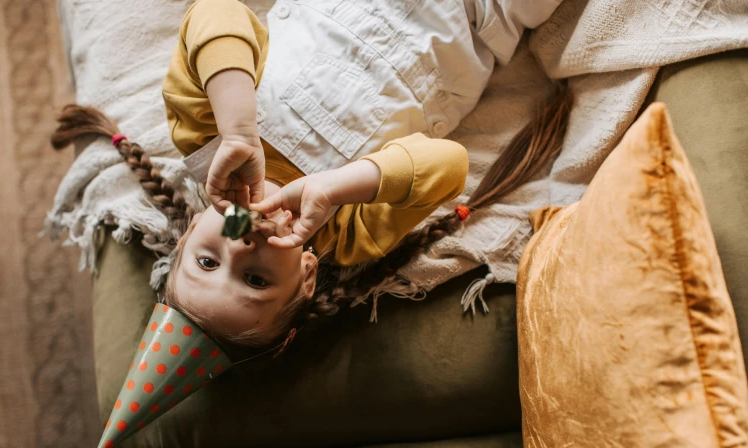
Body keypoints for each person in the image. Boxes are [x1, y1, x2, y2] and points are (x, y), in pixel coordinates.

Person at [52, 0, 570, 354]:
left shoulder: (205, 135)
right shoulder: (350, 231)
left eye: (207, 260)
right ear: (304, 276)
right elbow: (448, 167)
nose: (239, 248)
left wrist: (238, 128)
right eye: (255, 280)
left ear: (188, 236)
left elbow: (216, 14)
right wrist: (338, 186)